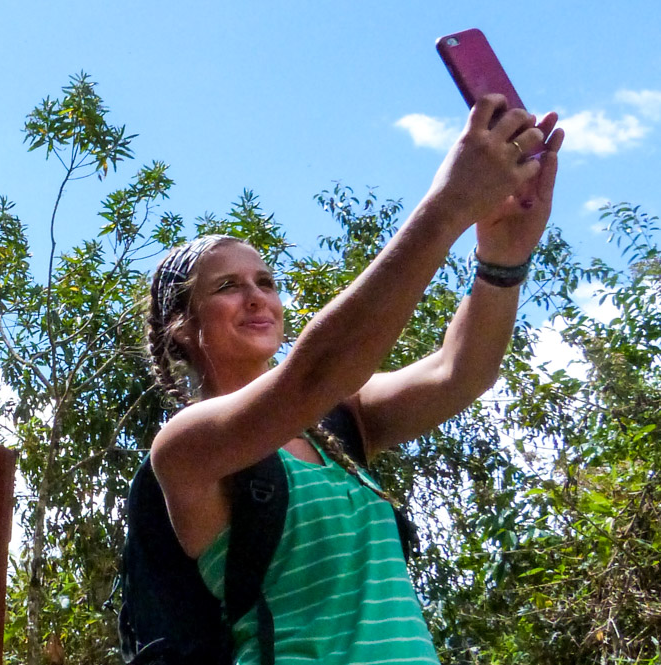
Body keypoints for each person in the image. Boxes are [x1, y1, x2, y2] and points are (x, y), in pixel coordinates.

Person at [144, 93, 565, 664]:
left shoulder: (342, 422)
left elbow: (460, 372)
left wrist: (503, 259)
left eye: (266, 282)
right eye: (227, 287)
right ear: (181, 328)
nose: (257, 298)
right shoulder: (186, 448)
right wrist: (447, 207)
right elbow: (314, 374)